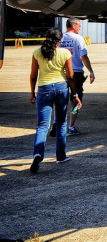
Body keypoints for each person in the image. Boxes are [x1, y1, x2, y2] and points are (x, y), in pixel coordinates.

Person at [29, 28, 78, 173]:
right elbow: (70, 75)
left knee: (43, 125)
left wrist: (32, 93)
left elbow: (33, 75)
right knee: (62, 122)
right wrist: (74, 94)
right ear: (59, 41)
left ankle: (38, 153)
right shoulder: (65, 53)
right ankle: (61, 156)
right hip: (61, 87)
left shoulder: (37, 53)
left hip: (44, 88)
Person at [59, 17, 95, 136]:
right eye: (79, 26)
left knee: (61, 100)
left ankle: (58, 125)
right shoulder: (78, 38)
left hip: (61, 73)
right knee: (76, 100)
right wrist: (91, 71)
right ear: (74, 26)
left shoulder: (60, 38)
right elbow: (83, 56)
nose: (80, 28)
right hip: (76, 73)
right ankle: (71, 126)